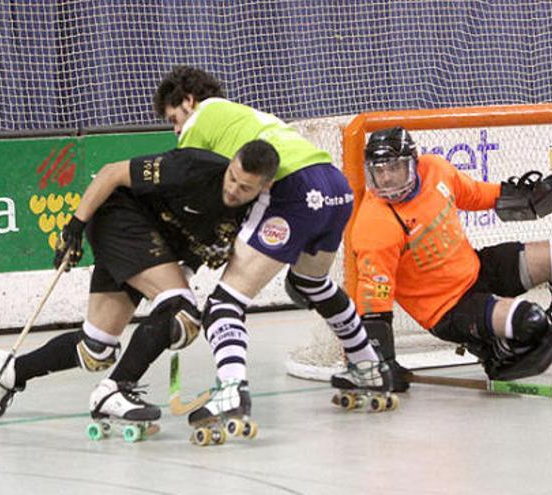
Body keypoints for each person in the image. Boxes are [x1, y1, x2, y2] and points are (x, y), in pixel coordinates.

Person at [153, 65, 398, 428]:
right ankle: (369, 367)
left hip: (290, 190)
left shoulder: (200, 121)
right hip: (333, 185)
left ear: (188, 101)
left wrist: (181, 265)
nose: (176, 130)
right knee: (310, 283)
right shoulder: (242, 114)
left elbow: (195, 195)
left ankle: (231, 392)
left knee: (224, 302)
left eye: (174, 118)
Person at [0, 141, 279, 425]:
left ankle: (9, 371)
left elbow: (204, 246)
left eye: (245, 188)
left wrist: (183, 273)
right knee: (180, 313)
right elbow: (112, 172)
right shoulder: (193, 167)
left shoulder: (253, 215)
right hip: (121, 218)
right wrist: (75, 227)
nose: (233, 189)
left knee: (95, 348)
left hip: (154, 243)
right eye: (232, 178)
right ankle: (114, 390)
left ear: (264, 186)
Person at [349, 126, 552, 382]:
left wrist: (525, 197)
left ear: (414, 162)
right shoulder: (375, 225)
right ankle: (500, 355)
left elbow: (474, 194)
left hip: (476, 268)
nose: (386, 179)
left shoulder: (435, 170)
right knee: (529, 321)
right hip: (447, 308)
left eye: (394, 168)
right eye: (378, 171)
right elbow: (374, 297)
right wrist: (381, 362)